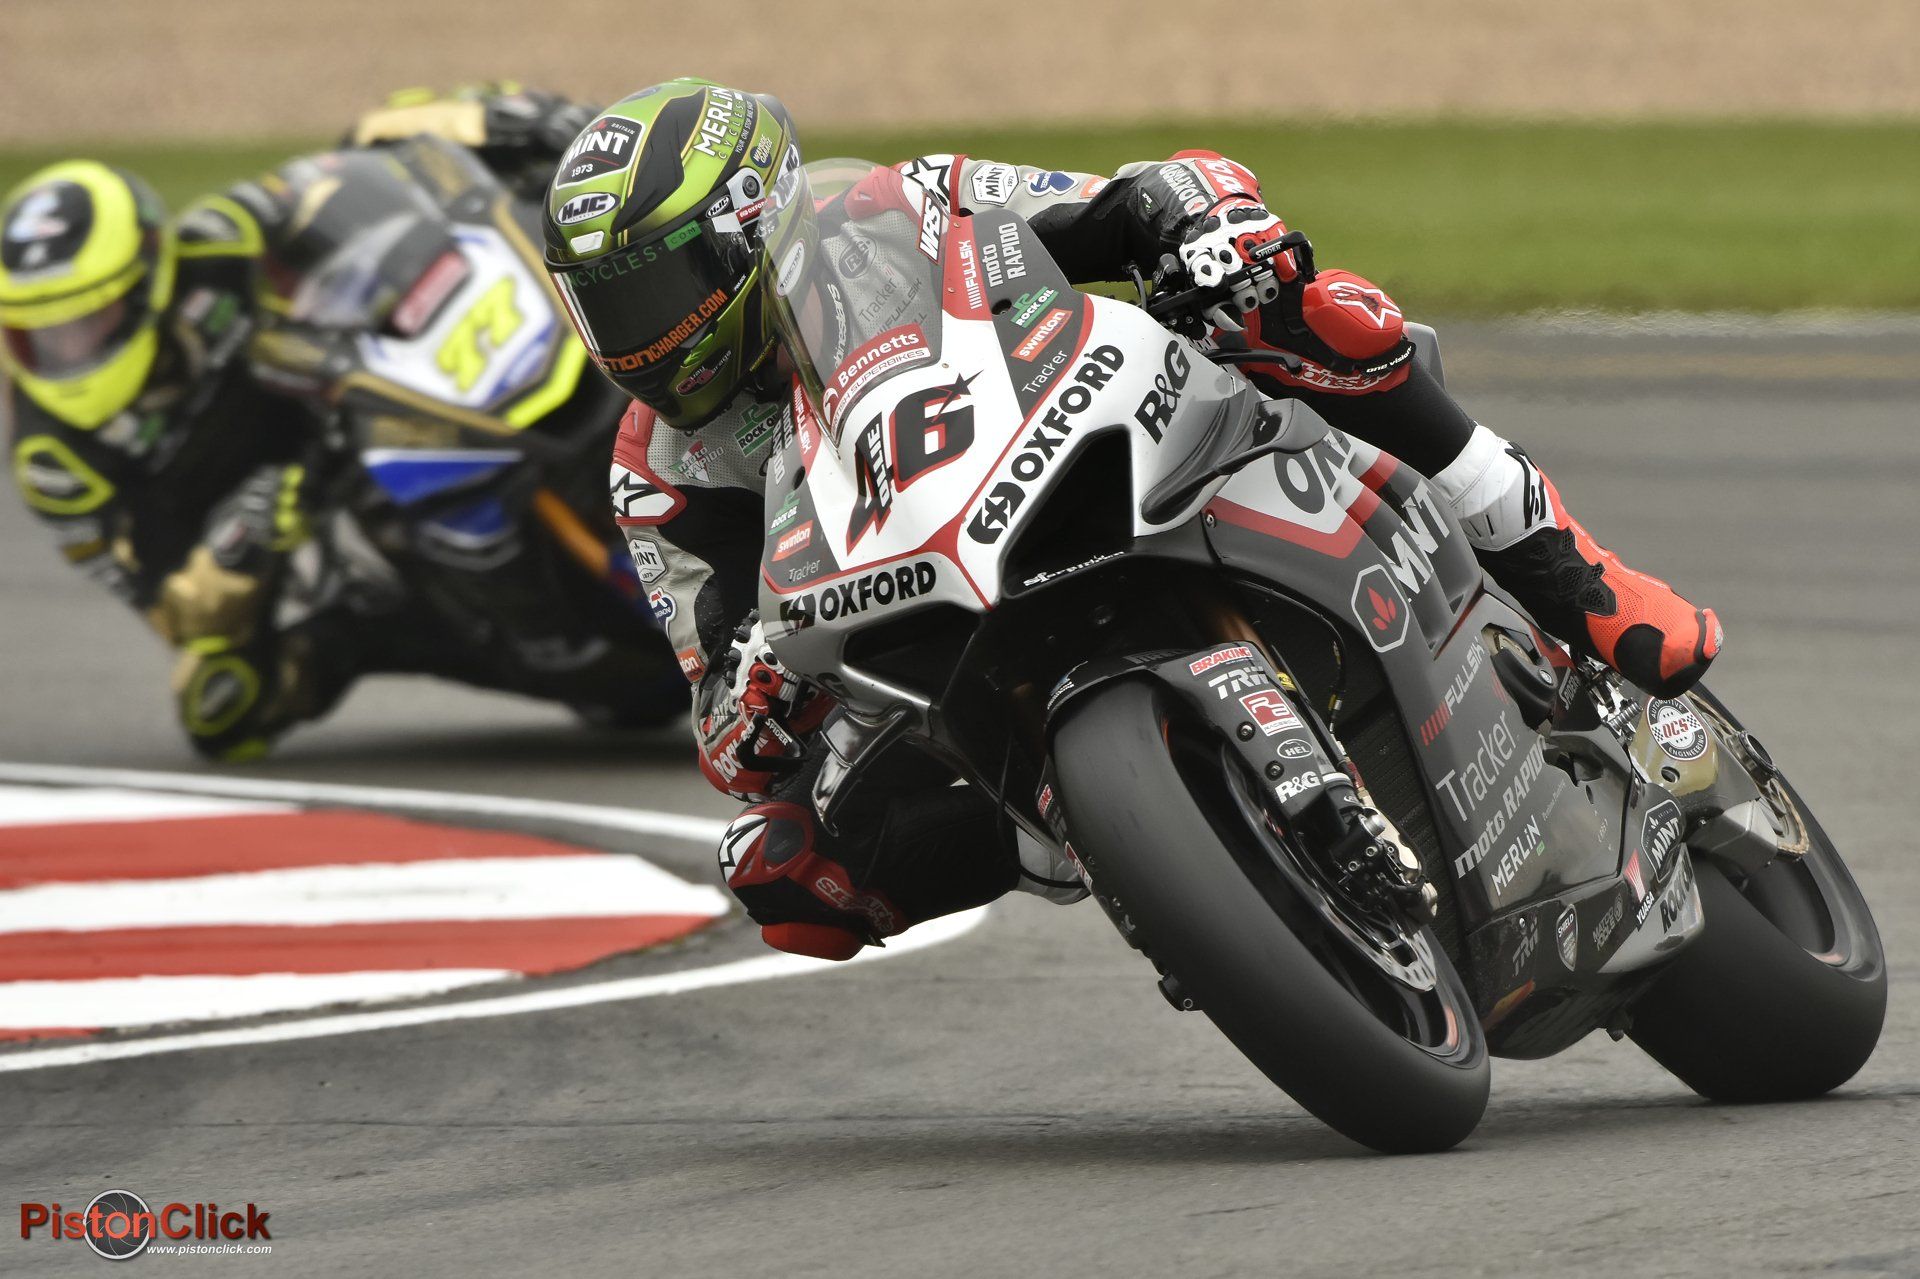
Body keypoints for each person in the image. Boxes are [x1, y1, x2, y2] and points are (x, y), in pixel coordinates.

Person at [542, 77, 1723, 961]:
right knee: (783, 862)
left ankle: (1572, 574)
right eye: (605, 306)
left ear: (749, 230)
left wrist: (1199, 222)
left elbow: (1117, 206)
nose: (639, 338)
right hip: (919, 615)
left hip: (1067, 443)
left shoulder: (890, 205)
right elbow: (718, 722)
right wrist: (751, 696)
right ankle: (1122, 844)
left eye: (653, 292)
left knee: (1300, 311)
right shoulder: (659, 467)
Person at [0, 86, 607, 759]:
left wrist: (482, 120)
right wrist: (236, 542)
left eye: (86, 323)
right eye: (39, 336)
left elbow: (342, 168)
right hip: (266, 528)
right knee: (221, 704)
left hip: (352, 415)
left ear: (148, 279)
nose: (66, 352)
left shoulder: (218, 245)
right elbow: (173, 612)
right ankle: (433, 640)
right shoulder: (55, 461)